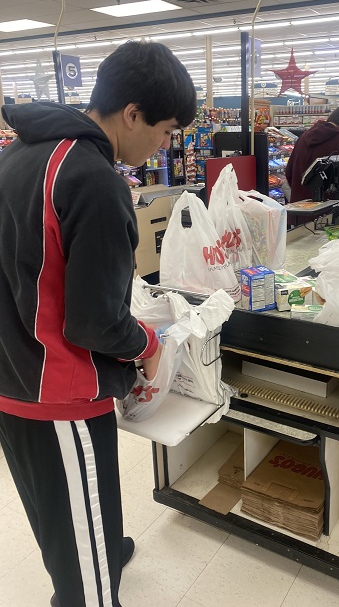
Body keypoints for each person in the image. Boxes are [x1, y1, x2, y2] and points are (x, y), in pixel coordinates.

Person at [0, 41, 196, 607]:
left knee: (67, 499)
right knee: (83, 583)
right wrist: (148, 342)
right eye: (163, 130)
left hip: (15, 372)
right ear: (131, 114)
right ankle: (89, 578)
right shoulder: (95, 180)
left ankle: (101, 548)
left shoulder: (23, 154)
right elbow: (95, 322)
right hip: (57, 390)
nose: (164, 144)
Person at [285, 103, 339, 203]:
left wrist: (302, 192)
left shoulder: (303, 137)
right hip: (326, 213)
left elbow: (289, 173)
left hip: (298, 209)